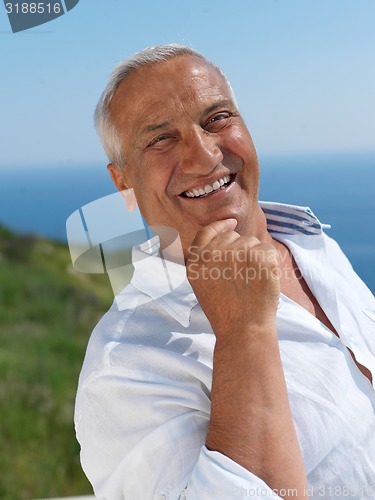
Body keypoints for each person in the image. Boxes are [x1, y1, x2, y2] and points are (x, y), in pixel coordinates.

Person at [74, 44, 375, 499]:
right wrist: (242, 332)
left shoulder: (312, 241)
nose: (204, 155)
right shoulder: (125, 367)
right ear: (124, 181)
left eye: (217, 118)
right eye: (160, 139)